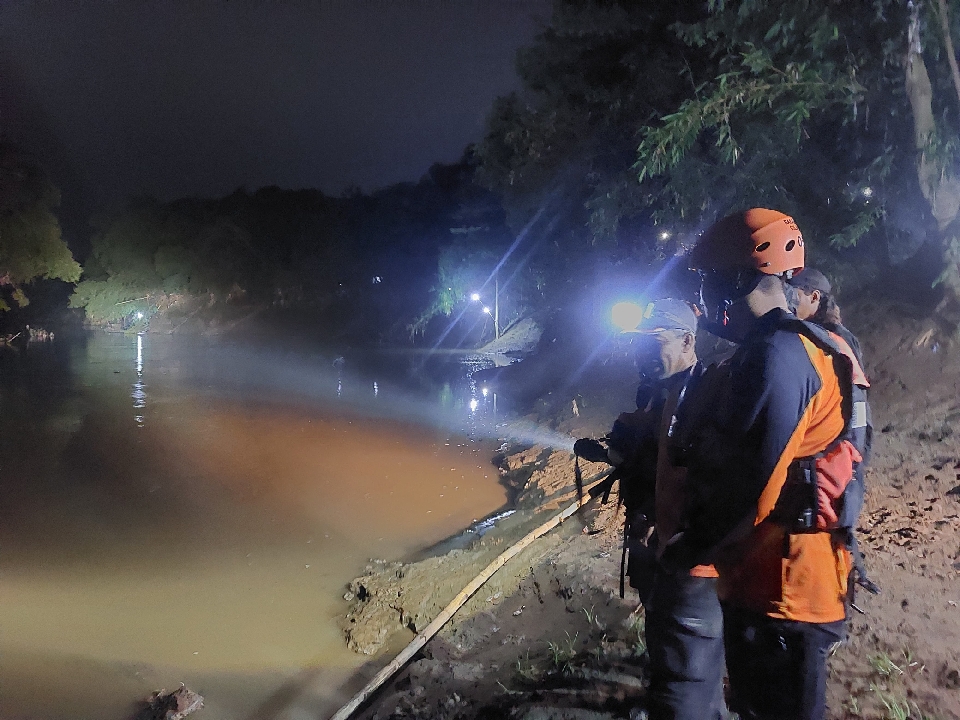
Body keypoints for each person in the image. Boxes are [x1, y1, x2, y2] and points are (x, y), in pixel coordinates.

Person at [661, 209, 862, 720]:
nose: (702, 292)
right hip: (767, 582)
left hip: (786, 592)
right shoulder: (782, 346)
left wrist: (690, 548)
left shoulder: (779, 355)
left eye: (708, 278)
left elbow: (755, 485)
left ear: (735, 278)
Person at [577, 298, 726, 720]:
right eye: (639, 343)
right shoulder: (660, 391)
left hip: (684, 553)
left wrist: (670, 530)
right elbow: (649, 452)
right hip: (651, 539)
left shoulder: (705, 395)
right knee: (663, 632)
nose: (644, 353)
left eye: (654, 341)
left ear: (687, 341)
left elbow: (707, 480)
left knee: (687, 662)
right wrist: (613, 449)